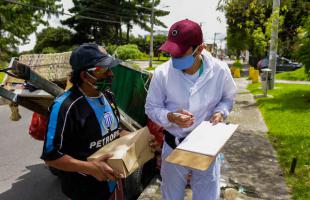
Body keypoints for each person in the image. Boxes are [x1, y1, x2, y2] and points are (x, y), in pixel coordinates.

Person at [41, 43, 156, 200]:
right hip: (83, 190)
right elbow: (51, 156)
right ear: (84, 75)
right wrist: (89, 168)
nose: (111, 74)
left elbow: (114, 132)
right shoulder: (66, 106)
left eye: (110, 68)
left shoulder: (107, 95)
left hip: (113, 183)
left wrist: (139, 139)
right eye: (104, 70)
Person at [145, 19, 237, 200]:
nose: (175, 59)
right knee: (171, 195)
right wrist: (170, 116)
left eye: (180, 54)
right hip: (173, 144)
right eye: (172, 53)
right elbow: (151, 107)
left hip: (206, 147)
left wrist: (220, 112)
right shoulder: (162, 73)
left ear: (200, 49)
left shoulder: (219, 71)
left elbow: (227, 98)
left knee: (207, 195)